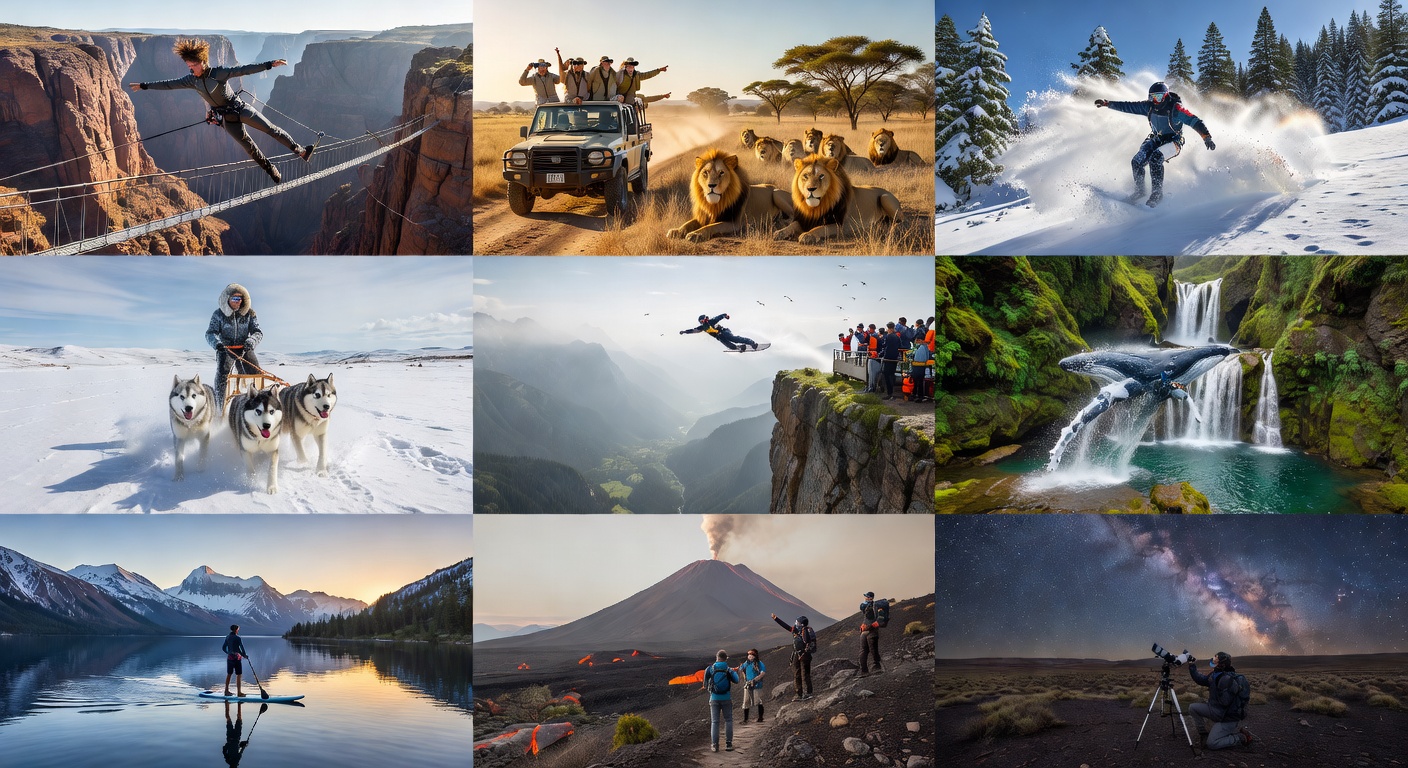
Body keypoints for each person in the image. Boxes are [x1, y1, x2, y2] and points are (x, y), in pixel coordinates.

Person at [128, 39, 312, 183]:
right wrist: (144, 86)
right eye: (188, 67)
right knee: (249, 147)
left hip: (241, 109)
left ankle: (301, 151)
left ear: (202, 62)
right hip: (227, 119)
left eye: (193, 66)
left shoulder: (218, 73)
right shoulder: (191, 80)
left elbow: (244, 70)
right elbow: (168, 84)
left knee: (270, 129)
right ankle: (270, 169)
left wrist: (270, 64)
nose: (190, 70)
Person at [1094, 81, 1214, 207]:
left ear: (1166, 95)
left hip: (1174, 141)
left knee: (1155, 159)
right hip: (1157, 138)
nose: (1156, 100)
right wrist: (1108, 104)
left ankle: (1157, 194)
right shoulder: (1149, 106)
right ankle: (1139, 191)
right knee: (1136, 161)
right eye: (1153, 97)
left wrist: (1206, 137)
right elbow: (1129, 106)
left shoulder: (1176, 109)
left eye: (1159, 96)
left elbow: (1193, 120)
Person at [206, 283, 264, 412]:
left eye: (240, 299)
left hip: (244, 348)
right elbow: (210, 333)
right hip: (225, 349)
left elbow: (257, 332)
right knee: (223, 375)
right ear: (227, 299)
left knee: (256, 374)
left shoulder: (250, 314)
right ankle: (219, 407)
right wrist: (217, 344)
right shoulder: (218, 314)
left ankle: (259, 405)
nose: (237, 302)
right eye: (234, 299)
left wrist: (251, 341)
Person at [1189, 652, 1254, 750]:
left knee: (1212, 743)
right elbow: (1201, 680)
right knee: (1192, 708)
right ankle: (1204, 734)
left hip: (1227, 717)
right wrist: (1192, 665)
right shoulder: (1216, 675)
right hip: (1216, 711)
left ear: (1222, 664)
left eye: (1216, 660)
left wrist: (1218, 691)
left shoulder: (1226, 679)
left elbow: (1225, 702)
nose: (1213, 661)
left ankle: (1239, 737)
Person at [771, 613, 815, 701]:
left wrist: (803, 653)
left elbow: (808, 642)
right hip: (797, 654)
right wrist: (776, 619)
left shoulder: (807, 631)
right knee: (797, 674)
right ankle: (799, 694)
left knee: (805, 674)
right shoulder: (795, 630)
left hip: (805, 655)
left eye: (797, 622)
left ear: (801, 624)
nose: (795, 623)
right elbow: (786, 627)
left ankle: (808, 693)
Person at [703, 649, 740, 753]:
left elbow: (705, 684)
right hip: (726, 698)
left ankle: (715, 745)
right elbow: (737, 680)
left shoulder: (710, 669)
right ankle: (728, 744)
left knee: (715, 722)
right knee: (728, 720)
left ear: (717, 657)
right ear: (725, 658)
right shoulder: (729, 670)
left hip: (714, 699)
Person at [679, 313, 758, 351]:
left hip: (724, 331)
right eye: (701, 321)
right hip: (719, 337)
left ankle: (752, 343)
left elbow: (719, 317)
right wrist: (685, 331)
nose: (703, 322)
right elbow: (693, 330)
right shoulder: (702, 327)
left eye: (704, 320)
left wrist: (725, 315)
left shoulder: (712, 321)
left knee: (733, 338)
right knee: (729, 345)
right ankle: (740, 347)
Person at [858, 592, 884, 676]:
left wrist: (865, 627)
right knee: (872, 650)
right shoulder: (872, 606)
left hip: (865, 631)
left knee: (864, 651)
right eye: (866, 597)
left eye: (867, 597)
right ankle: (877, 668)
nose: (865, 598)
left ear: (870, 598)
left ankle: (864, 671)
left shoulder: (870, 607)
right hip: (871, 631)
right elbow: (880, 619)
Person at [739, 648, 766, 724]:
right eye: (749, 654)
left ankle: (760, 717)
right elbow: (741, 669)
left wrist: (756, 679)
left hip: (757, 684)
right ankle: (745, 719)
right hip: (748, 683)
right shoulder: (746, 663)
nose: (750, 656)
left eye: (752, 654)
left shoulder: (759, 663)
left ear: (755, 655)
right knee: (746, 701)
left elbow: (763, 672)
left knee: (758, 701)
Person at [222, 624, 249, 697]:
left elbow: (223, 648)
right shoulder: (238, 638)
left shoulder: (227, 637)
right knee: (239, 675)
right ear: (235, 630)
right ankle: (239, 693)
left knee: (229, 674)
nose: (238, 630)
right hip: (237, 659)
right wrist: (244, 655)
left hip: (229, 658)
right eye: (238, 629)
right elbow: (241, 648)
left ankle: (226, 691)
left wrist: (229, 653)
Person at [880, 323, 902, 400]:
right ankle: (891, 393)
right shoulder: (897, 337)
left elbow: (885, 346)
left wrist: (881, 355)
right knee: (892, 375)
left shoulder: (888, 336)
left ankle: (889, 393)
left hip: (888, 358)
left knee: (886, 375)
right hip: (895, 358)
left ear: (889, 328)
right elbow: (900, 346)